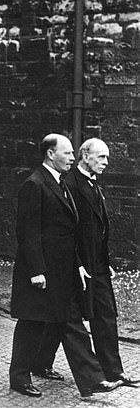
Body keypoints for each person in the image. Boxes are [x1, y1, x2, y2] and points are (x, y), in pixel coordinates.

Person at [8, 133, 122, 398]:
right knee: (31, 324)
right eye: (68, 153)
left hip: (64, 270)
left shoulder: (60, 184)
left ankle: (92, 379)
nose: (72, 157)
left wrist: (79, 264)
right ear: (50, 154)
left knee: (71, 323)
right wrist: (36, 271)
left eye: (73, 153)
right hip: (42, 271)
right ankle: (19, 376)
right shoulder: (34, 184)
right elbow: (28, 232)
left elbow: (70, 232)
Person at [34, 138, 139, 387]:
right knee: (65, 316)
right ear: (85, 156)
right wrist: (78, 262)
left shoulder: (93, 184)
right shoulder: (69, 183)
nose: (106, 162)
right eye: (101, 157)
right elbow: (68, 230)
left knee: (105, 314)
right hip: (75, 263)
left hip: (97, 264)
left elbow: (97, 228)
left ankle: (113, 371)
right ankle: (41, 363)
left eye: (107, 157)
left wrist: (104, 260)